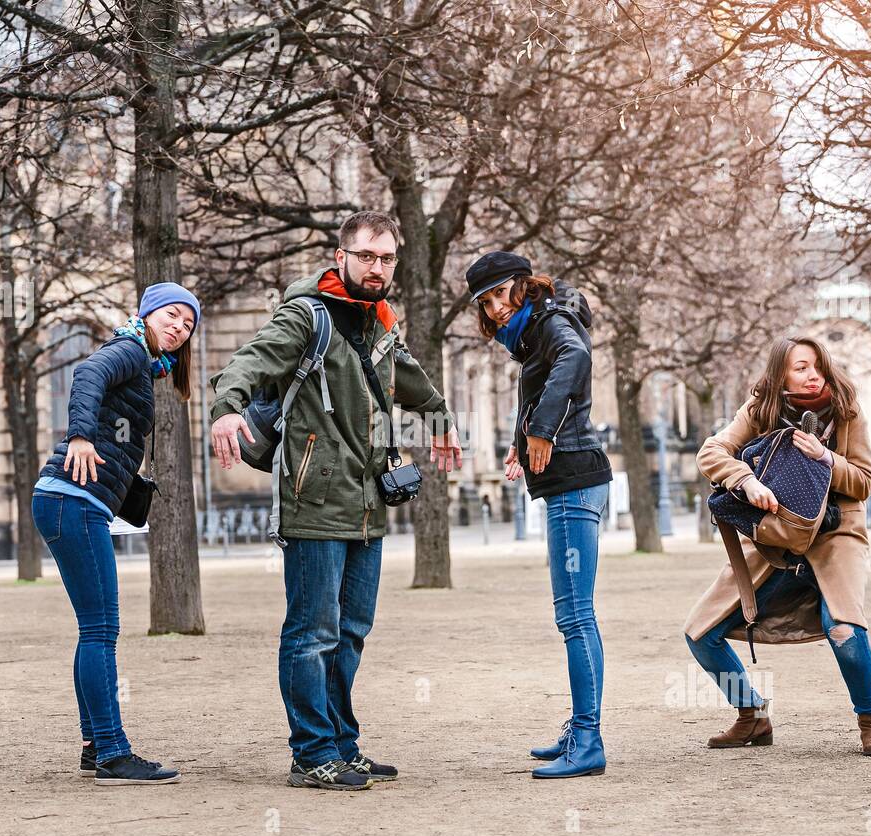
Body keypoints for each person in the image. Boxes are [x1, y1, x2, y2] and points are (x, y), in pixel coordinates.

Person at [209, 211, 463, 791]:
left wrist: (441, 419)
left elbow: (411, 378)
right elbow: (249, 360)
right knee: (311, 633)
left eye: (386, 259)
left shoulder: (380, 324)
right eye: (366, 257)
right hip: (314, 501)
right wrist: (227, 409)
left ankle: (343, 744)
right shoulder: (307, 316)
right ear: (342, 256)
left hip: (369, 503)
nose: (376, 268)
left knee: (350, 632)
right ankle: (311, 753)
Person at [683, 336, 871, 756]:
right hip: (775, 537)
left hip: (836, 535)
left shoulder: (847, 409)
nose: (812, 374)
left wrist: (826, 459)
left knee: (844, 629)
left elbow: (865, 482)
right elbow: (712, 451)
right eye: (801, 367)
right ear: (781, 373)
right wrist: (746, 480)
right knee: (700, 633)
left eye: (817, 365)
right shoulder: (761, 407)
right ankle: (752, 717)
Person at [32, 282, 199, 785]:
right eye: (171, 315)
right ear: (146, 314)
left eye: (188, 324)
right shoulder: (127, 350)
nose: (178, 327)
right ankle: (112, 752)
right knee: (101, 631)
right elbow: (86, 375)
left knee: (94, 630)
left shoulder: (146, 364)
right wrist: (81, 435)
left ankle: (93, 745)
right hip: (72, 501)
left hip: (71, 503)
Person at [468, 251, 613, 779]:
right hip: (571, 481)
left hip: (575, 480)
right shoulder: (538, 332)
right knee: (574, 614)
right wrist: (518, 441)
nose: (494, 309)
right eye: (484, 302)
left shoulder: (553, 324)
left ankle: (589, 738)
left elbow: (575, 361)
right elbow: (541, 388)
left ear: (520, 286)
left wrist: (542, 431)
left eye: (498, 296)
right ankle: (580, 728)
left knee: (575, 616)